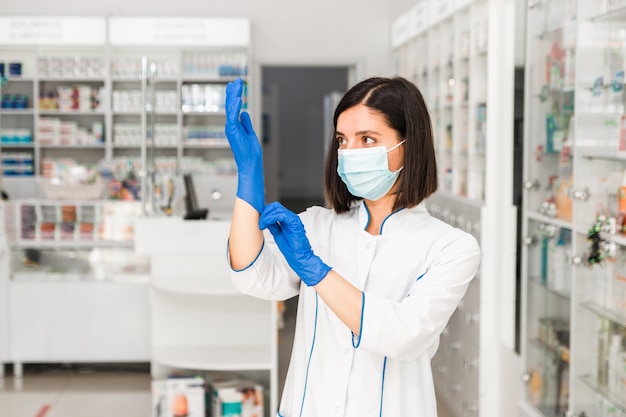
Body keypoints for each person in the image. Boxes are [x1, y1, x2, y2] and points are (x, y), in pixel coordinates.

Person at [225, 76, 481, 417]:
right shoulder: (317, 225)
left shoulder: (451, 247)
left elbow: (403, 335)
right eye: (343, 140)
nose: (349, 152)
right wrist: (248, 177)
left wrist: (316, 271)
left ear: (410, 144)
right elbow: (252, 276)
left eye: (368, 139)